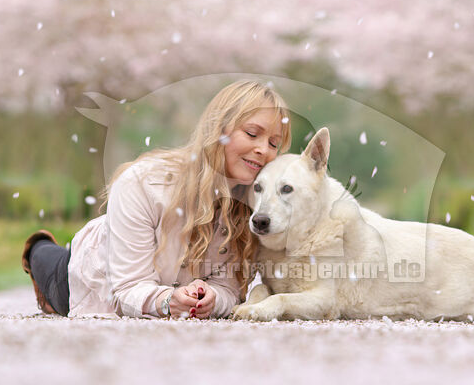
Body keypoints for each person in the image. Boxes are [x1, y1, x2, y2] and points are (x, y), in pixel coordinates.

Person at [21, 80, 292, 319]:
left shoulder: (254, 208)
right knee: (49, 266)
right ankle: (37, 248)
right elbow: (126, 287)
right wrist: (165, 301)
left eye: (273, 144)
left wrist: (211, 297)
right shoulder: (144, 182)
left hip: (171, 286)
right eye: (253, 134)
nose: (262, 150)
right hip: (97, 274)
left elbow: (229, 290)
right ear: (219, 130)